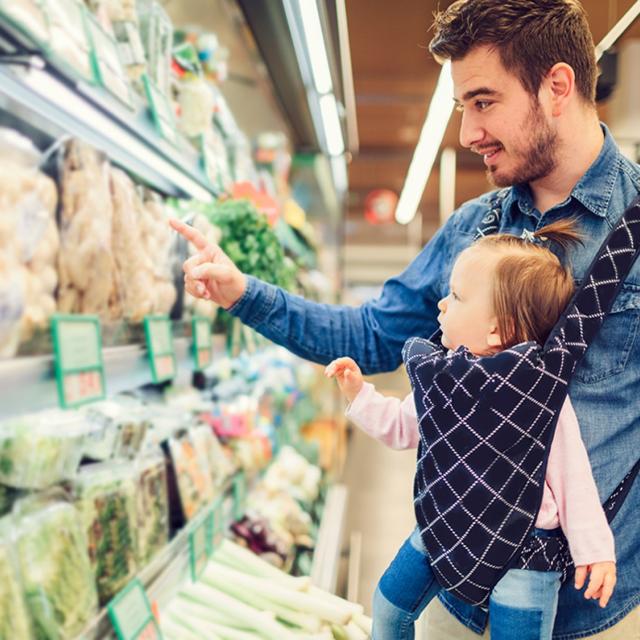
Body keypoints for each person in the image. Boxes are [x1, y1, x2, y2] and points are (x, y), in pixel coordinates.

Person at [170, 1, 640, 637]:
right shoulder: (473, 228)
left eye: (483, 101)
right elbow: (371, 336)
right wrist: (242, 292)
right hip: (452, 590)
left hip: (598, 609)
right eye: (461, 108)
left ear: (557, 87)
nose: (469, 132)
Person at [324, 220, 616, 640]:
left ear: (497, 328)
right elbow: (404, 428)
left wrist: (595, 551)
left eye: (457, 296)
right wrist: (359, 394)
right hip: (443, 524)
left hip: (525, 550)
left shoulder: (536, 389)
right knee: (388, 609)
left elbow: (573, 478)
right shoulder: (442, 375)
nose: (441, 305)